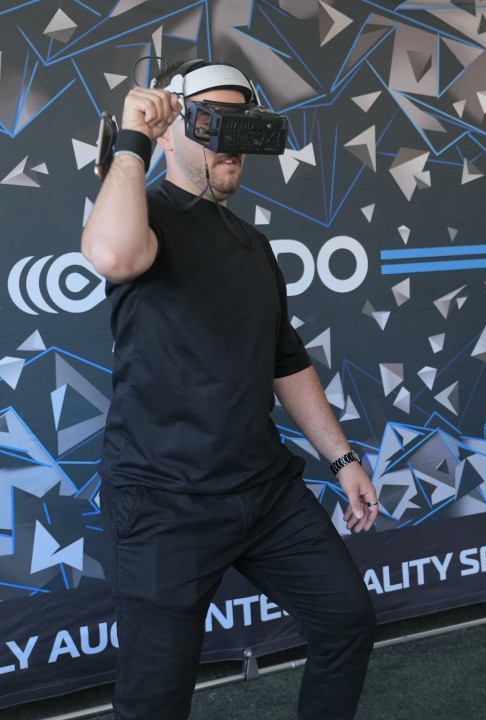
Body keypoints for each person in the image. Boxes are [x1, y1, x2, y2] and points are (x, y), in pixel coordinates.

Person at [81, 59, 378, 720]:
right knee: (154, 702)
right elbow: (114, 255)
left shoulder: (252, 245)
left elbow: (285, 361)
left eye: (241, 124)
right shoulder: (146, 218)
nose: (231, 142)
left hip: (263, 491)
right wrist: (132, 138)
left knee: (346, 619)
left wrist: (342, 458)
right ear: (168, 130)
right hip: (164, 504)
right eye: (212, 123)